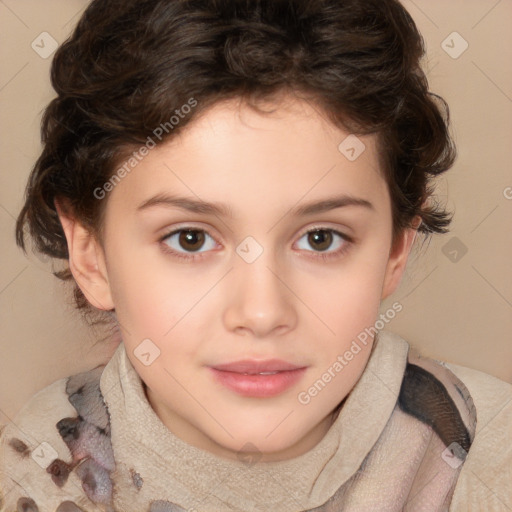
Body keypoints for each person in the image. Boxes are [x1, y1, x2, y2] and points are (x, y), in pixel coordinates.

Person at [1, 0, 510, 510]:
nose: (262, 313)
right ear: (92, 256)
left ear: (396, 248)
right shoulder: (34, 469)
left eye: (320, 239)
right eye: (191, 239)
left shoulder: (489, 457)